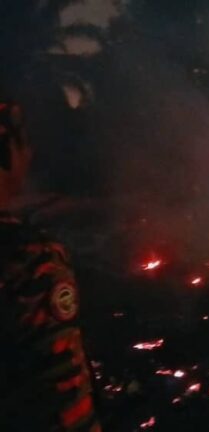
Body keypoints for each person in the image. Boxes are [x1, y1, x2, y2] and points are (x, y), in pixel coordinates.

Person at [0, 102, 100, 431]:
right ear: (7, 150)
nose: (30, 155)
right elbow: (63, 399)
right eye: (24, 143)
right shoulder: (30, 258)